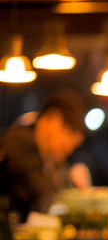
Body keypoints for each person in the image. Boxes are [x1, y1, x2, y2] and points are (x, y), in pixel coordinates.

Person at [0, 89, 90, 220]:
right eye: (69, 134)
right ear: (54, 120)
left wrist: (79, 189)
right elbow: (46, 194)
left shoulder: (51, 158)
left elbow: (62, 191)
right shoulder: (19, 143)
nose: (69, 149)